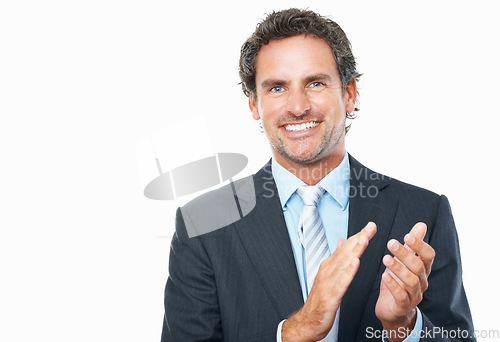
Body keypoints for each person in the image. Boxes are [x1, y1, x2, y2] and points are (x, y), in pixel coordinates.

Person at [161, 8, 475, 342]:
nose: (297, 106)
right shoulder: (203, 224)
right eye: (277, 88)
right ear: (254, 104)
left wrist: (403, 327)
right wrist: (298, 330)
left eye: (315, 83)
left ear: (349, 94)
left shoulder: (424, 213)